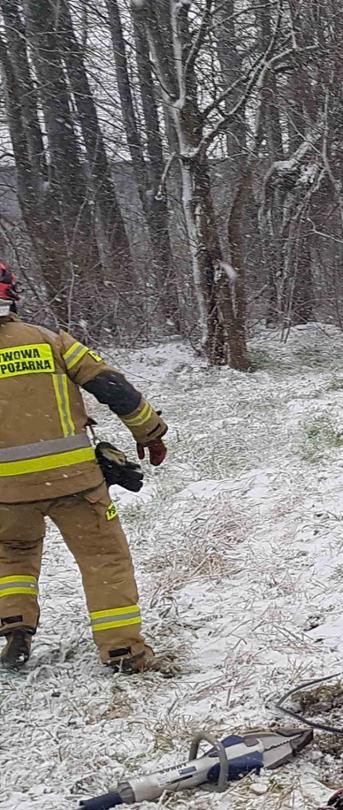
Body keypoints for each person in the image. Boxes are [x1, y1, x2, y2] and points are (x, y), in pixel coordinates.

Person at [0, 260, 169, 673]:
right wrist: (150, 432)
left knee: (12, 554)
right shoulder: (50, 342)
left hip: (6, 493)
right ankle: (123, 650)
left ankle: (16, 628)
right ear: (13, 294)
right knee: (104, 559)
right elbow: (113, 387)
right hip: (75, 483)